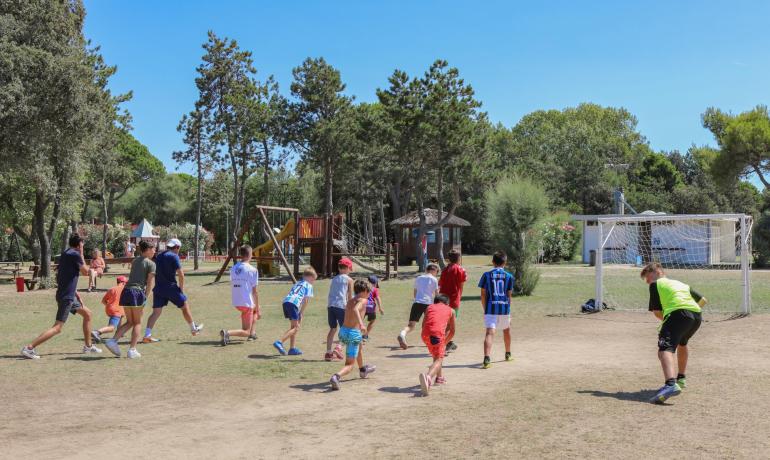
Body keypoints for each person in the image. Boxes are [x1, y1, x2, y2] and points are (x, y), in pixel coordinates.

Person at [21, 234, 102, 359]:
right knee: (58, 327)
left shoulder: (65, 253)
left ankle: (88, 346)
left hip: (67, 294)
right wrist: (93, 268)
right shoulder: (75, 254)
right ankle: (29, 348)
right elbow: (86, 272)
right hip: (66, 297)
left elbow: (64, 275)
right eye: (82, 245)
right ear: (79, 244)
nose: (83, 247)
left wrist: (74, 292)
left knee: (88, 314)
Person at [641, 262, 707, 404]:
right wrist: (687, 314)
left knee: (665, 349)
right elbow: (703, 300)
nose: (648, 282)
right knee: (682, 343)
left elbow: (657, 312)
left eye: (648, 278)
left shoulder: (656, 285)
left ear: (657, 272)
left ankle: (670, 384)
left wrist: (669, 320)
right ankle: (681, 379)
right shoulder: (681, 284)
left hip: (678, 314)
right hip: (696, 316)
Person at [142, 238, 203, 343]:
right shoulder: (174, 256)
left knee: (155, 312)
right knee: (184, 306)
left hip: (158, 288)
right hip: (170, 287)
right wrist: (181, 289)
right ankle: (193, 328)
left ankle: (147, 334)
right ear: (177, 247)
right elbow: (181, 274)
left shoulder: (159, 256)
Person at [104, 240, 156, 359]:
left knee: (130, 322)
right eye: (153, 249)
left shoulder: (135, 260)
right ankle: (132, 349)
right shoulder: (151, 264)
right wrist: (145, 298)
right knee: (137, 322)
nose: (154, 251)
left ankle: (113, 341)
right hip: (137, 293)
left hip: (126, 292)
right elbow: (149, 283)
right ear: (147, 250)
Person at [329, 279, 377, 390]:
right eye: (369, 292)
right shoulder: (363, 301)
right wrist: (361, 324)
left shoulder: (350, 300)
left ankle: (362, 370)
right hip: (353, 334)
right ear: (364, 291)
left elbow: (352, 309)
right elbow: (356, 309)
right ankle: (336, 376)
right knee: (350, 364)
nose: (369, 294)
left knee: (359, 348)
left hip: (343, 331)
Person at [478, 251, 514, 369]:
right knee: (506, 330)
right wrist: (509, 308)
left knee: (489, 333)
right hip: (504, 307)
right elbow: (509, 295)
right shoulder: (509, 276)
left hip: (491, 308)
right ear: (505, 262)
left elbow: (483, 294)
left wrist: (485, 308)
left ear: (493, 262)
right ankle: (508, 354)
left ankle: (487, 359)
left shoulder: (486, 275)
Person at [220, 245, 260, 346]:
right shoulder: (253, 270)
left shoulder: (233, 268)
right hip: (246, 302)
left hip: (236, 301)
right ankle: (227, 333)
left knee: (253, 310)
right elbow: (255, 292)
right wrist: (258, 308)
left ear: (241, 255)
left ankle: (253, 333)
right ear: (250, 255)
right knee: (246, 331)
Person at [418, 294, 456, 397]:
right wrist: (444, 342)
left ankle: (439, 379)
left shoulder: (429, 307)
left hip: (425, 335)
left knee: (437, 354)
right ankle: (428, 378)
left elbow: (423, 325)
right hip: (436, 335)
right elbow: (452, 331)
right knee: (439, 358)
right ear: (447, 303)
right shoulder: (451, 310)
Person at [273, 267, 317, 356]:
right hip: (293, 304)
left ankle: (292, 349)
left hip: (286, 302)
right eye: (313, 280)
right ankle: (279, 342)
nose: (313, 282)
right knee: (296, 328)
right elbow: (306, 300)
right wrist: (301, 313)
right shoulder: (309, 285)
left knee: (293, 326)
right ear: (310, 278)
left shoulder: (298, 283)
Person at [397, 263, 439, 349]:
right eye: (437, 272)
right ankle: (429, 342)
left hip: (417, 302)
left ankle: (402, 334)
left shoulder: (419, 278)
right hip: (428, 304)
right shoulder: (434, 279)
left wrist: (417, 300)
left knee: (411, 325)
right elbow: (437, 294)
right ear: (433, 271)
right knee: (428, 325)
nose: (436, 274)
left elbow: (415, 292)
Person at [438, 249, 467, 352]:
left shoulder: (445, 270)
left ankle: (449, 343)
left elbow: (440, 284)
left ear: (448, 259)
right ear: (459, 258)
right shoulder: (461, 270)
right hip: (453, 300)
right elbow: (461, 285)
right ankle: (443, 347)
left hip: (442, 300)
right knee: (450, 325)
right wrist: (459, 296)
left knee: (444, 323)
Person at [324, 258, 353, 361]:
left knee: (333, 329)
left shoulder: (334, 279)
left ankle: (328, 353)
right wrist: (351, 308)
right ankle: (338, 348)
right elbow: (350, 296)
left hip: (331, 306)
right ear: (348, 268)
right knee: (346, 330)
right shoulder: (349, 280)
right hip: (341, 306)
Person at [90, 275, 127, 343]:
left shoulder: (112, 289)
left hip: (110, 308)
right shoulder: (125, 289)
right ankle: (97, 332)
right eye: (125, 283)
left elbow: (104, 300)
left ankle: (120, 332)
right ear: (123, 282)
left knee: (121, 317)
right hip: (116, 310)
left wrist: (109, 306)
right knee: (111, 327)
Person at [363, 274, 383, 341]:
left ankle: (355, 335)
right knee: (372, 321)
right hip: (371, 307)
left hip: (363, 306)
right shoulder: (374, 289)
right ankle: (365, 336)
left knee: (359, 321)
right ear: (375, 283)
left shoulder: (363, 288)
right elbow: (378, 298)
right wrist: (380, 308)